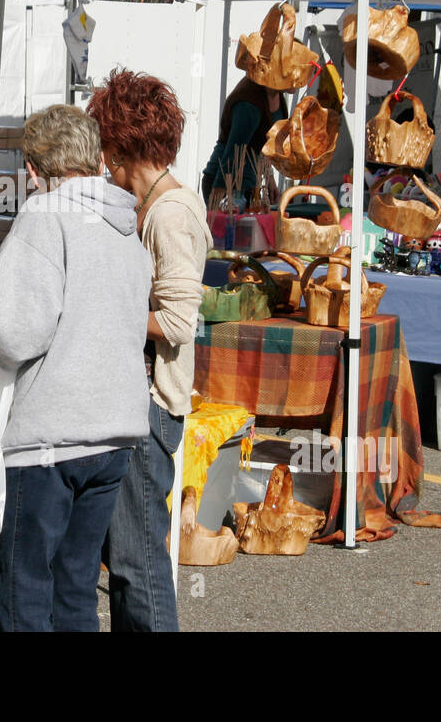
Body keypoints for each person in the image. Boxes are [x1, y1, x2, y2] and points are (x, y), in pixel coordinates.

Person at [0, 104, 152, 632]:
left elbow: (17, 339)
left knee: (23, 595)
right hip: (115, 432)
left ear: (35, 169)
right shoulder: (125, 224)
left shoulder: (42, 216)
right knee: (76, 590)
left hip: (52, 439)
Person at [88, 68, 211, 632]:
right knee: (126, 557)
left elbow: (180, 321)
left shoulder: (169, 213)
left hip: (150, 407)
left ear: (124, 143)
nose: (103, 160)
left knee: (139, 562)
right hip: (129, 400)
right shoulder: (146, 204)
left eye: (106, 146)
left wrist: (100, 312)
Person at [201, 75, 287, 208]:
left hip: (247, 186)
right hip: (224, 184)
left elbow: (263, 143)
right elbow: (232, 155)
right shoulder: (249, 103)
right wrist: (215, 205)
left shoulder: (277, 96)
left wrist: (270, 179)